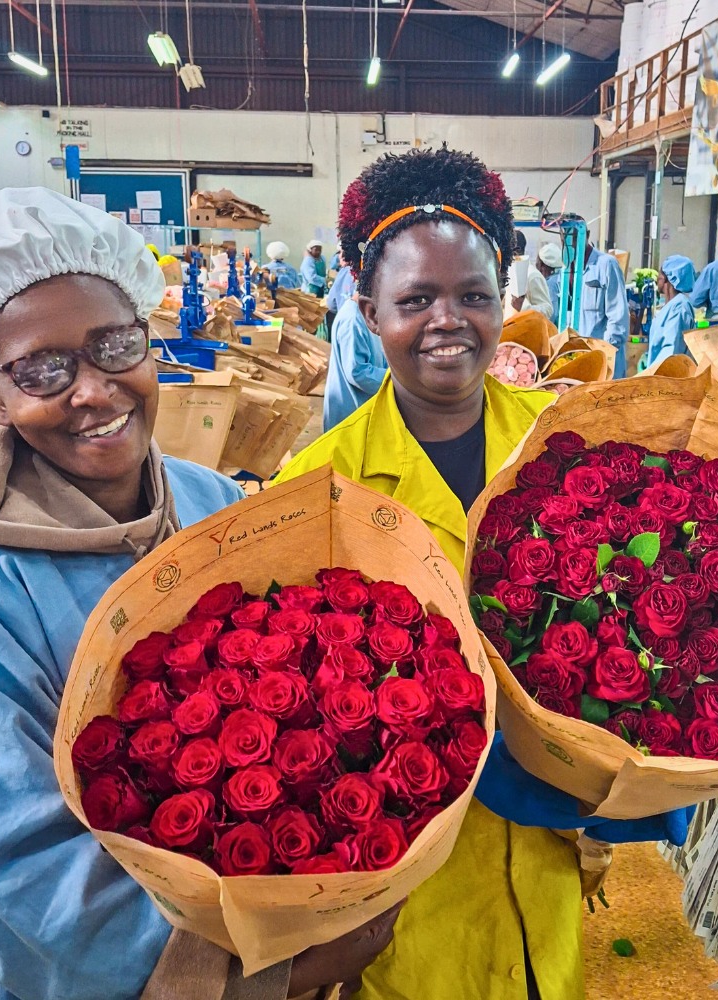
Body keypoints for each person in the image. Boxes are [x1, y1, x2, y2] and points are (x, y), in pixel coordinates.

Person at [0, 187, 400, 1000]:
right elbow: (13, 883)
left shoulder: (215, 506)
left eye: (115, 345)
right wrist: (257, 980)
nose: (93, 390)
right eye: (41, 369)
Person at [274, 148, 692, 1000]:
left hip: (547, 853)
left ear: (504, 301)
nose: (448, 321)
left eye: (473, 295)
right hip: (407, 884)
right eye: (415, 300)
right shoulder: (315, 490)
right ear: (367, 308)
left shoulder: (567, 445)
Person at [559, 219, 630, 378]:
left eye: (575, 238)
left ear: (587, 235)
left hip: (603, 360)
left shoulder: (606, 264)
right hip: (575, 359)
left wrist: (606, 352)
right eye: (565, 239)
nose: (570, 243)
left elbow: (618, 316)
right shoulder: (565, 269)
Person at [322, 293, 388, 433]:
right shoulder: (352, 319)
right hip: (350, 412)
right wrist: (395, 377)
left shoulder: (365, 316)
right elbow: (357, 372)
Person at [645, 254, 697, 369]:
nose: (657, 277)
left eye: (660, 273)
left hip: (668, 377)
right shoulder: (670, 306)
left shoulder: (679, 308)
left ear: (668, 277)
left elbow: (671, 350)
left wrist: (652, 373)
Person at [514, 243, 560, 324]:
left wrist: (524, 307)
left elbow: (550, 312)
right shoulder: (558, 279)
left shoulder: (540, 279)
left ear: (541, 264)